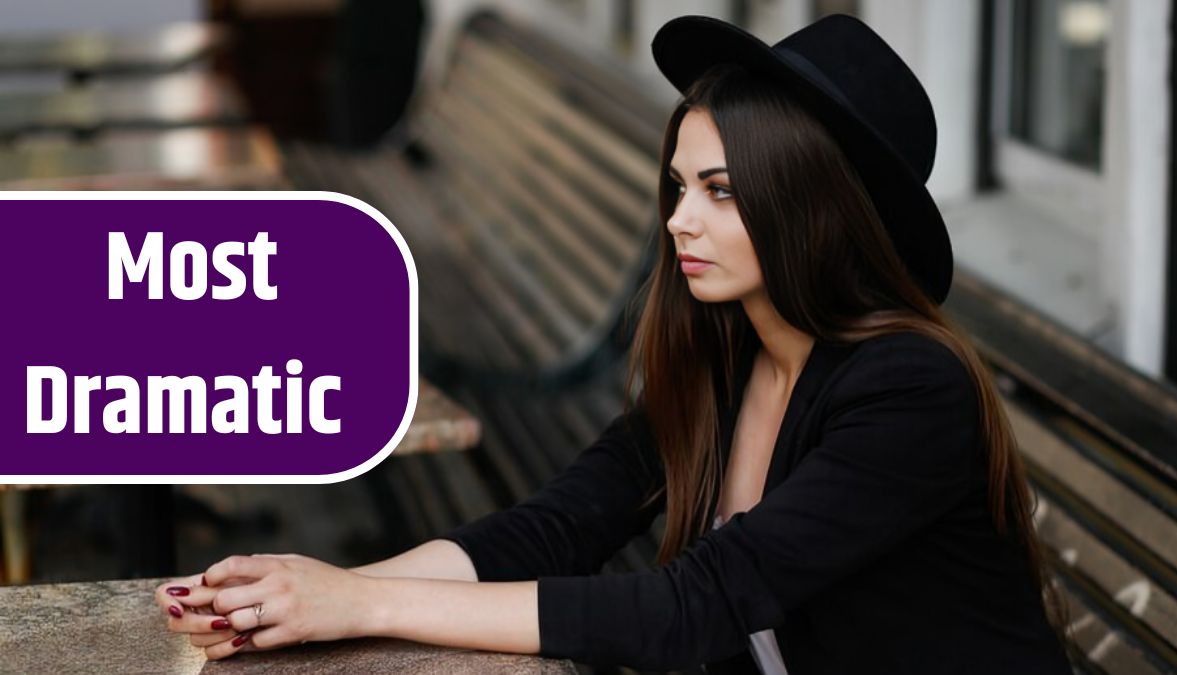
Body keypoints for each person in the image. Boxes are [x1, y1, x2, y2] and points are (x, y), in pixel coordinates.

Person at [156, 14, 1074, 674]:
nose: (679, 221)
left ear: (815, 208)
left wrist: (358, 604)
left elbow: (694, 607)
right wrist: (310, 593)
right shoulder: (727, 356)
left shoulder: (910, 389)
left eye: (721, 191)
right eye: (677, 187)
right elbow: (555, 527)